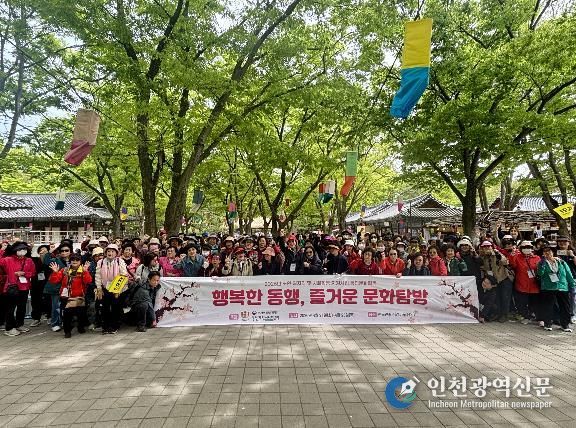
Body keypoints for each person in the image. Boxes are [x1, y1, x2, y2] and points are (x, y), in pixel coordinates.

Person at [48, 254, 92, 338]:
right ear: (70, 261)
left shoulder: (83, 270)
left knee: (81, 314)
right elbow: (54, 281)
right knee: (67, 316)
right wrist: (55, 272)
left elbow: (88, 281)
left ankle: (80, 327)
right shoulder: (65, 270)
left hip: (79, 297)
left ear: (80, 261)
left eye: (77, 260)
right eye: (73, 260)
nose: (75, 261)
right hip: (66, 297)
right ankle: (67, 331)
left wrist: (85, 271)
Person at [1, 242, 36, 337]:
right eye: (20, 249)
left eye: (24, 249)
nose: (22, 251)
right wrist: (2, 250)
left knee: (22, 307)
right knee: (10, 308)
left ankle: (19, 324)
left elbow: (33, 273)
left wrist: (24, 273)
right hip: (12, 287)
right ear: (15, 250)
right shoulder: (8, 259)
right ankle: (9, 328)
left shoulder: (29, 260)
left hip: (24, 287)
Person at [537, 246, 574, 332]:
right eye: (545, 252)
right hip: (548, 287)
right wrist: (542, 264)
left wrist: (572, 284)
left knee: (565, 306)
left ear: (553, 253)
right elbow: (540, 274)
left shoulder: (561, 262)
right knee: (548, 306)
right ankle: (547, 323)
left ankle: (565, 325)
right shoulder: (541, 263)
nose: (547, 253)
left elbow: (568, 273)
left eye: (549, 251)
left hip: (562, 287)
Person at [95, 244, 128, 334]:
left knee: (115, 307)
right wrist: (99, 288)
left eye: (113, 251)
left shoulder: (120, 261)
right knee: (105, 307)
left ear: (116, 253)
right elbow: (98, 276)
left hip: (117, 288)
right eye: (108, 251)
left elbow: (123, 275)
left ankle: (114, 326)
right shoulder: (101, 262)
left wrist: (118, 290)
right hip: (105, 288)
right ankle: (105, 326)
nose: (110, 253)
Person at [478, 241, 513, 322]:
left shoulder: (497, 254)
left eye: (488, 246)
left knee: (505, 298)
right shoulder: (484, 257)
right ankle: (498, 314)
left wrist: (498, 254)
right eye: (484, 247)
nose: (486, 248)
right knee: (497, 298)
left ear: (492, 247)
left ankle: (504, 315)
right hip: (494, 281)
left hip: (504, 279)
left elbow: (505, 261)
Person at [508, 241, 541, 324]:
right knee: (522, 302)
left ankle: (535, 316)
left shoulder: (537, 258)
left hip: (534, 284)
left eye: (528, 247)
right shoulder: (517, 257)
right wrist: (512, 256)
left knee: (534, 302)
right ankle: (526, 316)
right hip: (521, 283)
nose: (527, 249)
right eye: (524, 247)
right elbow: (512, 265)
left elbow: (540, 269)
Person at [43, 243, 73, 332]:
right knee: (56, 306)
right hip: (56, 287)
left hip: (69, 287)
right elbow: (46, 261)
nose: (64, 252)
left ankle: (65, 321)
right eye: (62, 251)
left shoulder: (74, 260)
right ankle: (55, 323)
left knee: (67, 306)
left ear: (70, 251)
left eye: (66, 250)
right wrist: (50, 252)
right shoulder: (55, 260)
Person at [29, 244, 51, 327]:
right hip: (36, 283)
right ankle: (36, 318)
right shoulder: (35, 260)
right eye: (41, 250)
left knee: (48, 300)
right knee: (35, 301)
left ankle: (49, 316)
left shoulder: (51, 260)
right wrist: (30, 249)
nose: (43, 251)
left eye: (45, 250)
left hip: (47, 283)